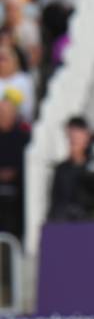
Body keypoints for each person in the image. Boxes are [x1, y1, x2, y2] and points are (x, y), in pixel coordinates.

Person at [0, 98, 28, 238]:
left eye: (7, 112)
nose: (4, 115)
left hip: (17, 196)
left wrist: (14, 173)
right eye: (1, 112)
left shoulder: (23, 138)